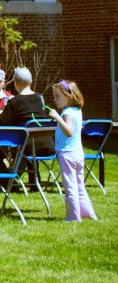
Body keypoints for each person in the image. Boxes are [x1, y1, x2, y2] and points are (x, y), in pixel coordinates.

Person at [0, 67, 49, 186]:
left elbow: (1, 122)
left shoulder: (15, 101)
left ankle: (7, 182)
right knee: (30, 137)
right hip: (45, 144)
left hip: (24, 147)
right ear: (31, 81)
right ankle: (34, 178)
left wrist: (1, 112)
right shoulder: (40, 99)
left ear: (15, 83)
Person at [46, 80, 97, 222]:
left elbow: (69, 131)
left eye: (57, 96)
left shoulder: (66, 113)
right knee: (80, 186)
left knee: (70, 187)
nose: (55, 99)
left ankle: (73, 217)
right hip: (77, 153)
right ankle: (88, 213)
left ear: (68, 96)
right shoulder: (77, 111)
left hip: (67, 154)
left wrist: (57, 118)